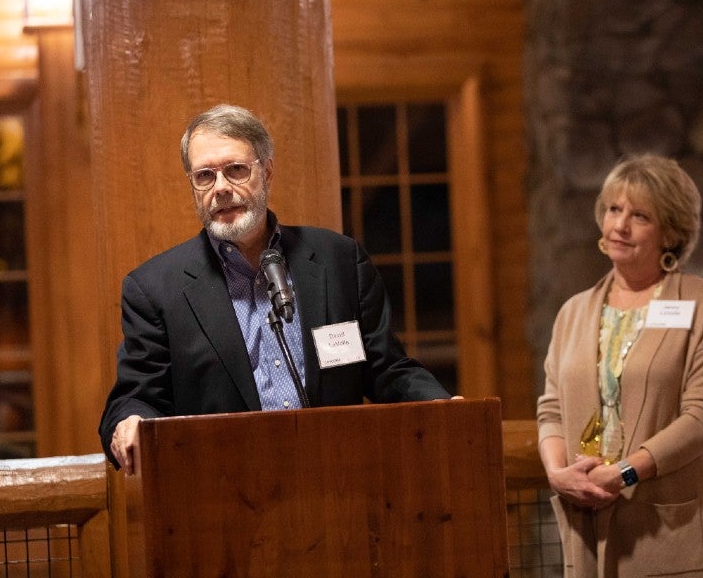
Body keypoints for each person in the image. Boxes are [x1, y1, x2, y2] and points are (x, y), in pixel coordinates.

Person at [100, 103, 454, 474]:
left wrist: (444, 407)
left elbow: (386, 369)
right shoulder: (156, 289)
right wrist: (130, 423)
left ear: (266, 172)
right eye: (205, 176)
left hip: (338, 480)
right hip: (222, 494)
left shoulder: (338, 261)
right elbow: (135, 397)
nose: (220, 188)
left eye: (235, 170)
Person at [536, 154, 703, 577]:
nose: (619, 226)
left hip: (672, 526)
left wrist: (625, 473)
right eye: (614, 209)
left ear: (670, 232)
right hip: (588, 519)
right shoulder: (573, 312)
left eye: (640, 216)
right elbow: (551, 410)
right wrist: (558, 474)